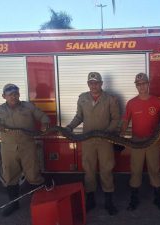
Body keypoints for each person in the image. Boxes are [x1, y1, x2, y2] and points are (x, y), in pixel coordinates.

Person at [0, 83, 50, 217]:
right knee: (10, 177)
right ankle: (13, 204)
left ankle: (43, 202)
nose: (13, 96)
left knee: (33, 176)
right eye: (10, 94)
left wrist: (44, 124)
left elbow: (43, 117)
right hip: (8, 149)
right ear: (4, 96)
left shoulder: (28, 106)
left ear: (19, 94)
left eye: (16, 94)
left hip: (28, 147)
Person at [66, 72, 120, 215]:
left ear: (101, 83)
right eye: (91, 83)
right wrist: (70, 127)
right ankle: (91, 200)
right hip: (88, 140)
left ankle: (109, 202)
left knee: (106, 169)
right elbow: (79, 116)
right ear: (88, 84)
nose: (94, 85)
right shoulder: (82, 98)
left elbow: (116, 119)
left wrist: (106, 132)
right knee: (89, 169)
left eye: (96, 83)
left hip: (105, 140)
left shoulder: (110, 99)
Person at [121, 72, 160, 211]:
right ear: (136, 86)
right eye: (138, 84)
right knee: (135, 170)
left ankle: (158, 198)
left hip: (153, 141)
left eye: (144, 83)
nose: (141, 87)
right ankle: (134, 199)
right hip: (136, 142)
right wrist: (119, 136)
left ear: (148, 84)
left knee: (154, 169)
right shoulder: (131, 103)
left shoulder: (158, 102)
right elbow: (125, 121)